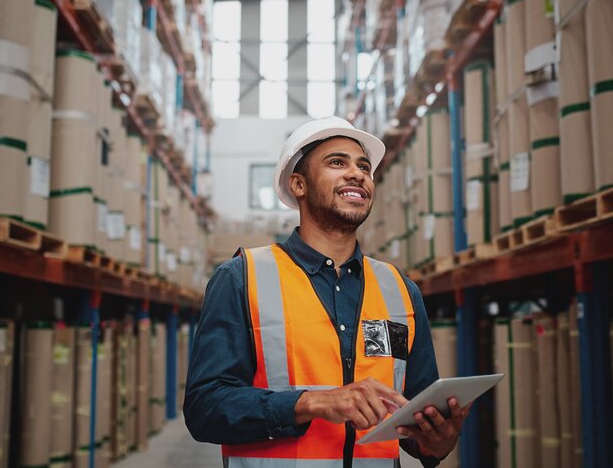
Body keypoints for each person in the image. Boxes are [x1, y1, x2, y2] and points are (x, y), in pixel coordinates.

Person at [184, 117, 469, 467]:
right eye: (337, 162)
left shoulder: (400, 291)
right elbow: (205, 408)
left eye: (364, 167)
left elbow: (416, 423)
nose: (357, 174)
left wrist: (437, 441)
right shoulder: (242, 279)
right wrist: (311, 403)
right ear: (298, 184)